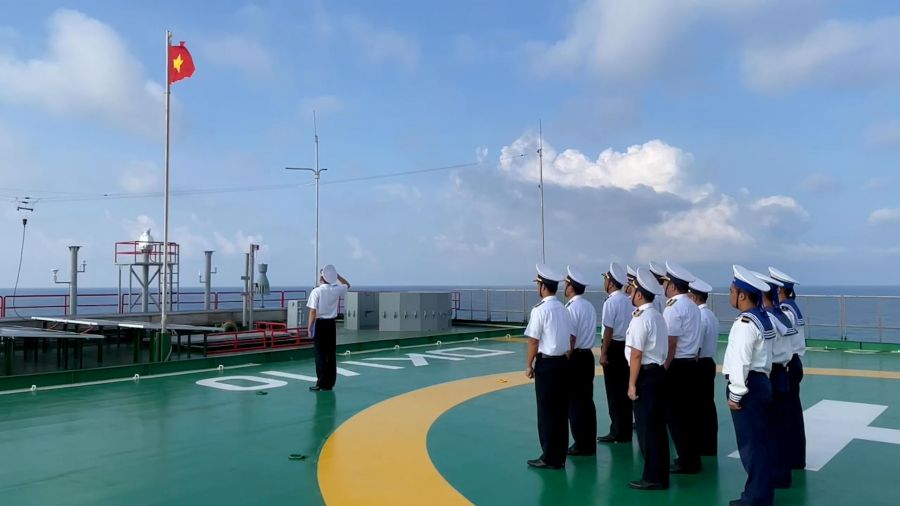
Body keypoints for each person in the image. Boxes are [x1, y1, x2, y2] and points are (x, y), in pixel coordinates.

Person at [724, 265, 776, 506]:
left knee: (751, 447)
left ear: (742, 295)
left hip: (748, 388)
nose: (729, 294)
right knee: (761, 443)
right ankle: (762, 494)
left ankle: (755, 498)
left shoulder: (745, 323)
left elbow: (741, 362)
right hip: (761, 383)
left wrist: (735, 394)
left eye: (732, 290)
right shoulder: (762, 319)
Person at [525, 264, 576, 469]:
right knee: (561, 412)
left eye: (538, 284)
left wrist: (528, 365)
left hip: (546, 365)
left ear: (542, 287)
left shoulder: (540, 310)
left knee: (546, 412)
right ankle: (560, 456)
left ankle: (549, 457)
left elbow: (533, 341)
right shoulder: (564, 309)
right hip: (563, 363)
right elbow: (572, 337)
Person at [625, 268, 670, 490]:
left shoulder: (641, 318)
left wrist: (632, 384)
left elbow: (636, 354)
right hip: (658, 373)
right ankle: (659, 474)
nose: (629, 294)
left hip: (646, 376)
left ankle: (653, 477)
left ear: (640, 294)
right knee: (657, 429)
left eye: (631, 290)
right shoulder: (657, 316)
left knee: (647, 429)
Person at [754, 270, 796, 490]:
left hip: (772, 374)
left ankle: (775, 475)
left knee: (770, 429)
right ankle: (782, 473)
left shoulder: (767, 318)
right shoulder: (783, 315)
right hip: (784, 372)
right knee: (781, 426)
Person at [661, 260, 703, 474]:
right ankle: (692, 458)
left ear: (672, 285)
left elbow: (671, 342)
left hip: (677, 367)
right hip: (691, 365)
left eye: (665, 283)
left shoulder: (673, 308)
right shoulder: (693, 307)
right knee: (690, 415)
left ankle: (686, 461)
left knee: (676, 416)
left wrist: (664, 367)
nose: (663, 287)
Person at [768, 266, 807, 470]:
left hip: (789, 363)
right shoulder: (791, 306)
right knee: (793, 414)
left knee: (787, 415)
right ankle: (795, 457)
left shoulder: (784, 310)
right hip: (795, 362)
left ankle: (791, 458)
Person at [598, 262, 634, 444]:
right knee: (624, 392)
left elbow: (608, 330)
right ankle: (626, 430)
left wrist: (603, 352)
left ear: (611, 282)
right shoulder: (628, 301)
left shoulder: (611, 302)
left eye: (605, 279)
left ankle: (617, 431)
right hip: (626, 348)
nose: (604, 282)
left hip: (614, 347)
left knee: (613, 392)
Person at [564, 266, 598, 456]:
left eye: (566, 284)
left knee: (575, 403)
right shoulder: (589, 306)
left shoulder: (571, 308)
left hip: (575, 357)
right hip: (587, 357)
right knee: (586, 401)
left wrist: (564, 362)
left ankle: (580, 444)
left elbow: (570, 338)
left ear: (571, 287)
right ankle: (589, 442)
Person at [306, 264, 350, 392]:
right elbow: (348, 285)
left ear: (322, 278)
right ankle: (330, 383)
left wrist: (309, 327)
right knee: (330, 354)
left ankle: (321, 382)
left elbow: (313, 312)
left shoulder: (317, 291)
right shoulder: (336, 289)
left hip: (320, 324)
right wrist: (339, 277)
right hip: (331, 324)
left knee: (320, 354)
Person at [688, 277, 719, 457]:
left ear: (693, 297)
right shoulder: (711, 315)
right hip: (709, 363)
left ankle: (702, 445)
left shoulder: (699, 317)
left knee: (698, 407)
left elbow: (696, 348)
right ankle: (709, 445)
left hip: (699, 365)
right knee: (707, 405)